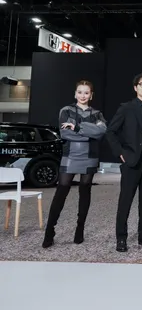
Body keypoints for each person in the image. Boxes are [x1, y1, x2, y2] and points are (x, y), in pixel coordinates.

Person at [42, 80, 107, 248]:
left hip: (90, 157)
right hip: (70, 156)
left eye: (86, 92)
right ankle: (49, 231)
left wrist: (77, 127)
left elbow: (101, 132)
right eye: (80, 92)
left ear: (91, 95)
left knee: (85, 191)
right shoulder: (66, 110)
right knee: (61, 191)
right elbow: (65, 134)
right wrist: (89, 133)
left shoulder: (97, 114)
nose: (83, 95)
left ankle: (80, 229)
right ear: (75, 93)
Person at [106, 72, 142, 253]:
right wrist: (120, 153)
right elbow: (111, 132)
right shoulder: (126, 108)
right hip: (132, 160)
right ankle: (121, 238)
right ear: (135, 87)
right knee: (126, 201)